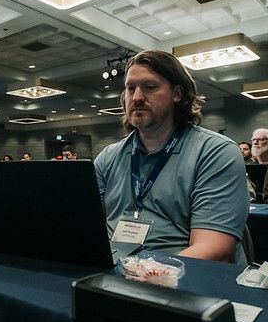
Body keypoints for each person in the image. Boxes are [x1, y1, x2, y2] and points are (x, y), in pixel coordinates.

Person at [94, 50, 248, 263]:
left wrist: (141, 272)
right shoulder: (108, 157)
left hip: (184, 280)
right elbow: (85, 227)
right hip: (115, 269)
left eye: (150, 87)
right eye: (131, 88)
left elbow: (214, 249)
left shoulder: (216, 152)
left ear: (177, 94)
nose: (137, 97)